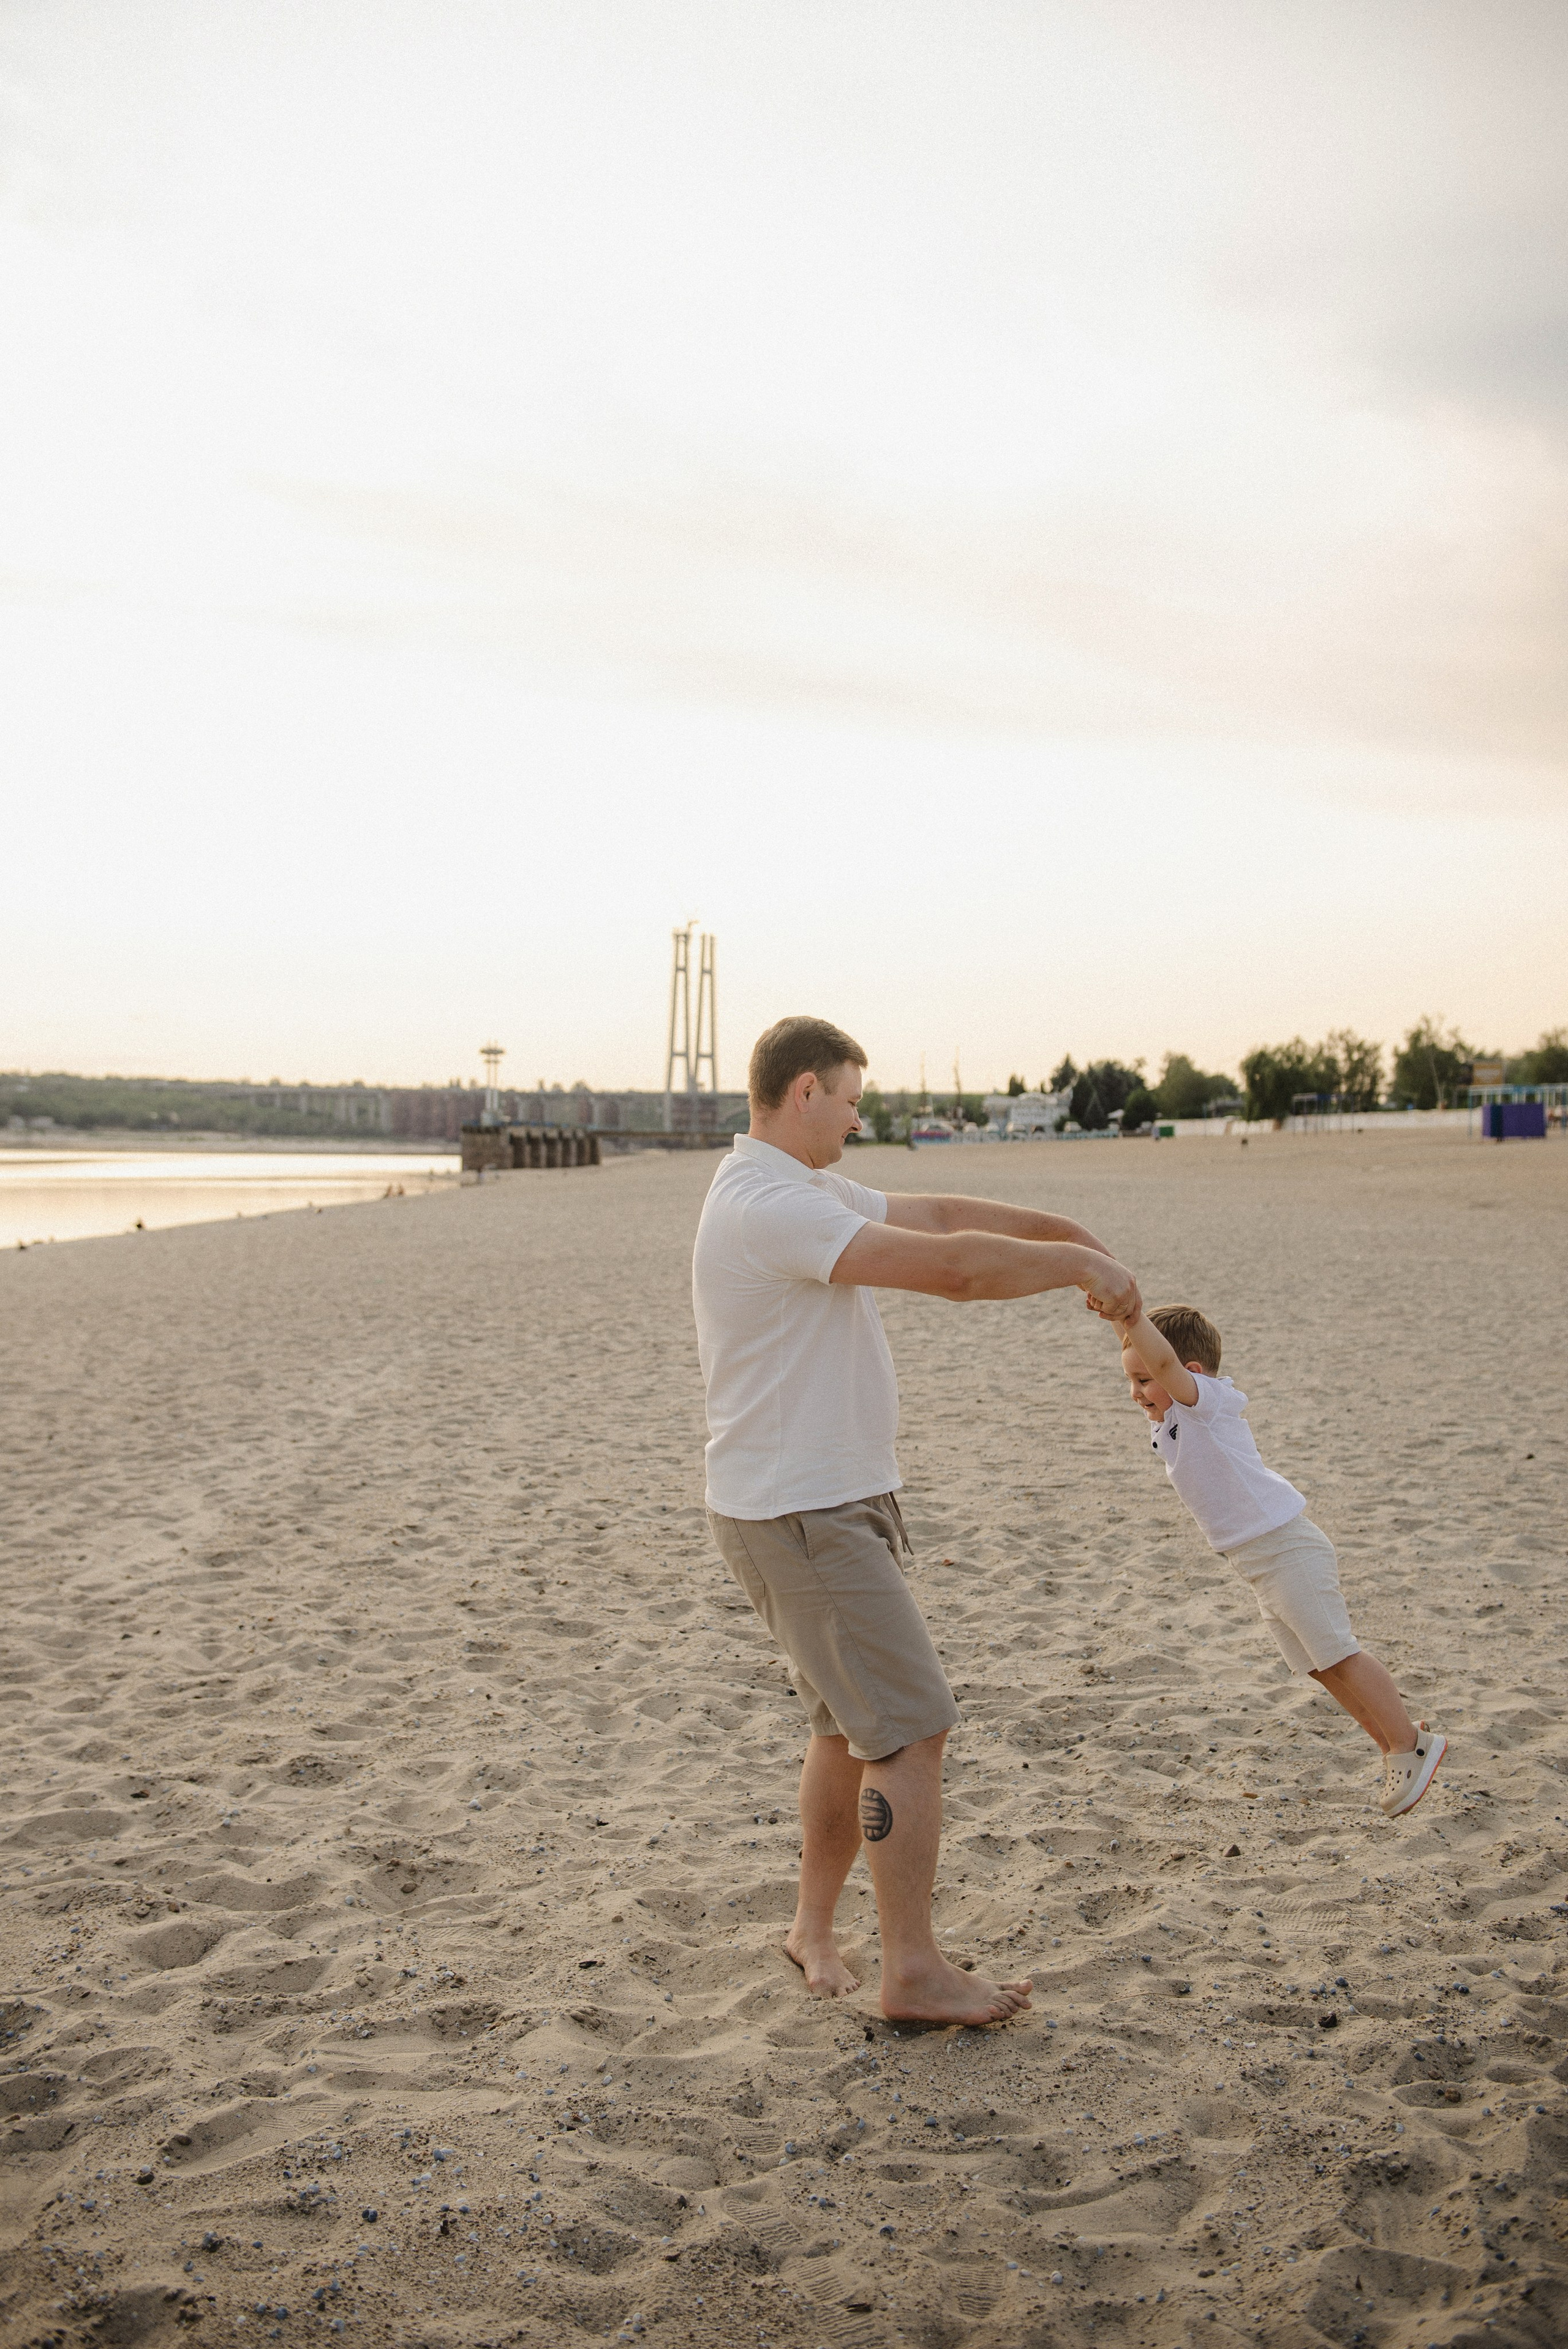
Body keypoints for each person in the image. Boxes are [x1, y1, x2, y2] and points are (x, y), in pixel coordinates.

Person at [693, 1014, 1142, 2024]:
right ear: (803, 1092)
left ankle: (813, 1924)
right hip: (802, 1514)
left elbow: (937, 1213)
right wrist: (1077, 1273)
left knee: (849, 1730)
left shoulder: (796, 1188)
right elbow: (952, 1272)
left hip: (808, 1503)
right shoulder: (773, 1206)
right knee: (911, 1731)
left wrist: (1064, 1232)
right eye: (851, 1098)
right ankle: (913, 1972)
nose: (860, 1116)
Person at [1115, 1304, 1446, 1817]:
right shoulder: (1174, 1415)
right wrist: (1114, 1311)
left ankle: (1411, 1746)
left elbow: (1161, 1358)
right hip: (1257, 1562)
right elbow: (1147, 1351)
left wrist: (1133, 1314)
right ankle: (1392, 1744)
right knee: (1318, 1666)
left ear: (1190, 1374)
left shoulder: (1206, 1403)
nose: (1136, 1392)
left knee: (1339, 1653)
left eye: (1143, 1379)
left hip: (1286, 1547)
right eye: (1130, 1380)